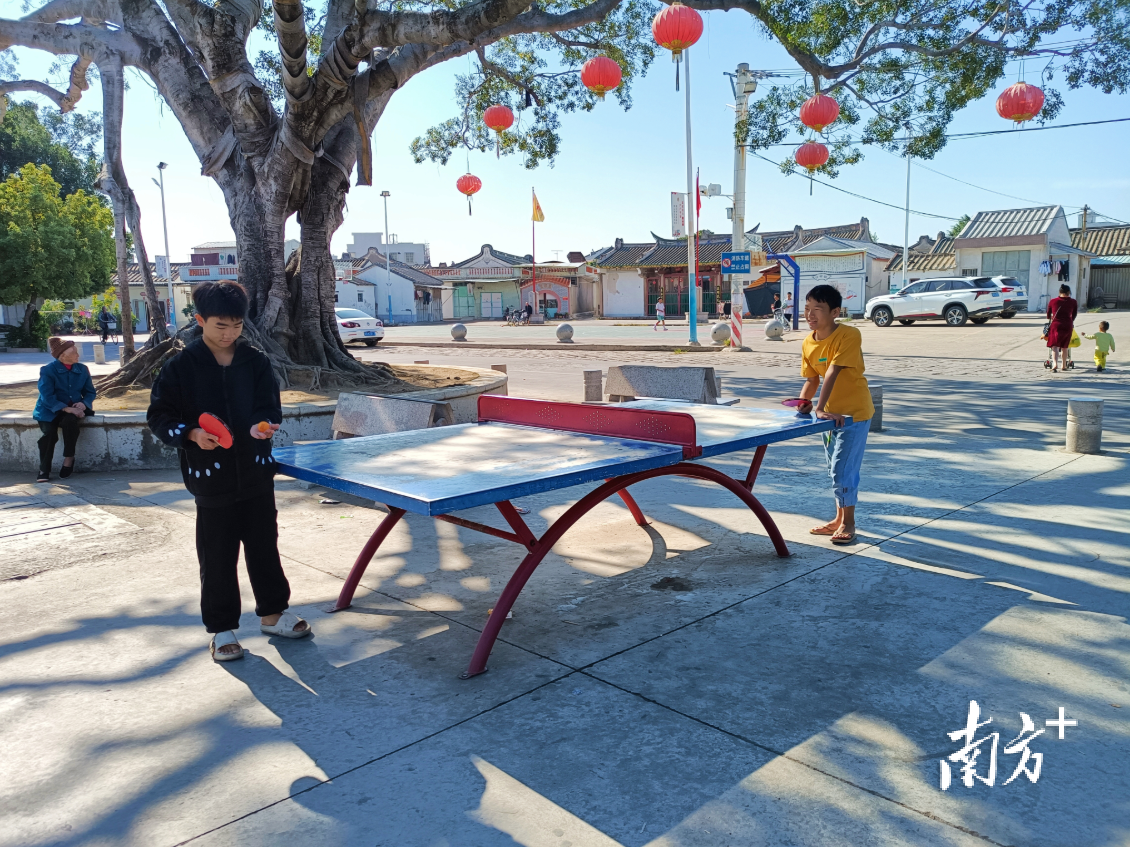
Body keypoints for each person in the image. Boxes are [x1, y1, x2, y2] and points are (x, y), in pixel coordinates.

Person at [147, 281, 310, 662]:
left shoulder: (255, 361)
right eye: (220, 325)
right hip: (210, 479)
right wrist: (190, 433)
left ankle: (273, 614)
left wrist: (262, 426)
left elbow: (269, 407)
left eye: (236, 326)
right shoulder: (180, 366)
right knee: (217, 557)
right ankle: (221, 630)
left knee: (264, 547)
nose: (229, 334)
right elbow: (159, 416)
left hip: (255, 473)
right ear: (199, 320)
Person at [794, 284, 874, 546]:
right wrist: (804, 402)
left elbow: (832, 371)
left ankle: (849, 523)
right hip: (829, 418)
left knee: (843, 470)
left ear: (835, 312)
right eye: (807, 309)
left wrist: (819, 408)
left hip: (854, 414)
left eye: (817, 309)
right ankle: (838, 519)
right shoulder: (808, 341)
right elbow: (812, 379)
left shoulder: (849, 335)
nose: (810, 315)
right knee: (834, 469)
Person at [34, 337, 96, 483]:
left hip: (73, 410)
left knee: (70, 424)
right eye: (74, 352)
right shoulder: (48, 370)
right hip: (48, 410)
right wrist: (65, 408)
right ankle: (44, 469)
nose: (78, 355)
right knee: (49, 434)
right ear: (62, 355)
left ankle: (69, 459)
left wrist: (83, 404)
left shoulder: (82, 369)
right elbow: (46, 396)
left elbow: (90, 392)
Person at [1045, 284, 1077, 372]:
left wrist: (1051, 317)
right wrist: (1070, 321)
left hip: (1056, 325)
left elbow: (1048, 315)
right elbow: (1074, 315)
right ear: (1069, 292)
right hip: (1067, 325)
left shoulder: (1053, 301)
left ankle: (1055, 364)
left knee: (1055, 346)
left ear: (1059, 292)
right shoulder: (1073, 302)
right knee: (1065, 346)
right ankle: (1063, 365)